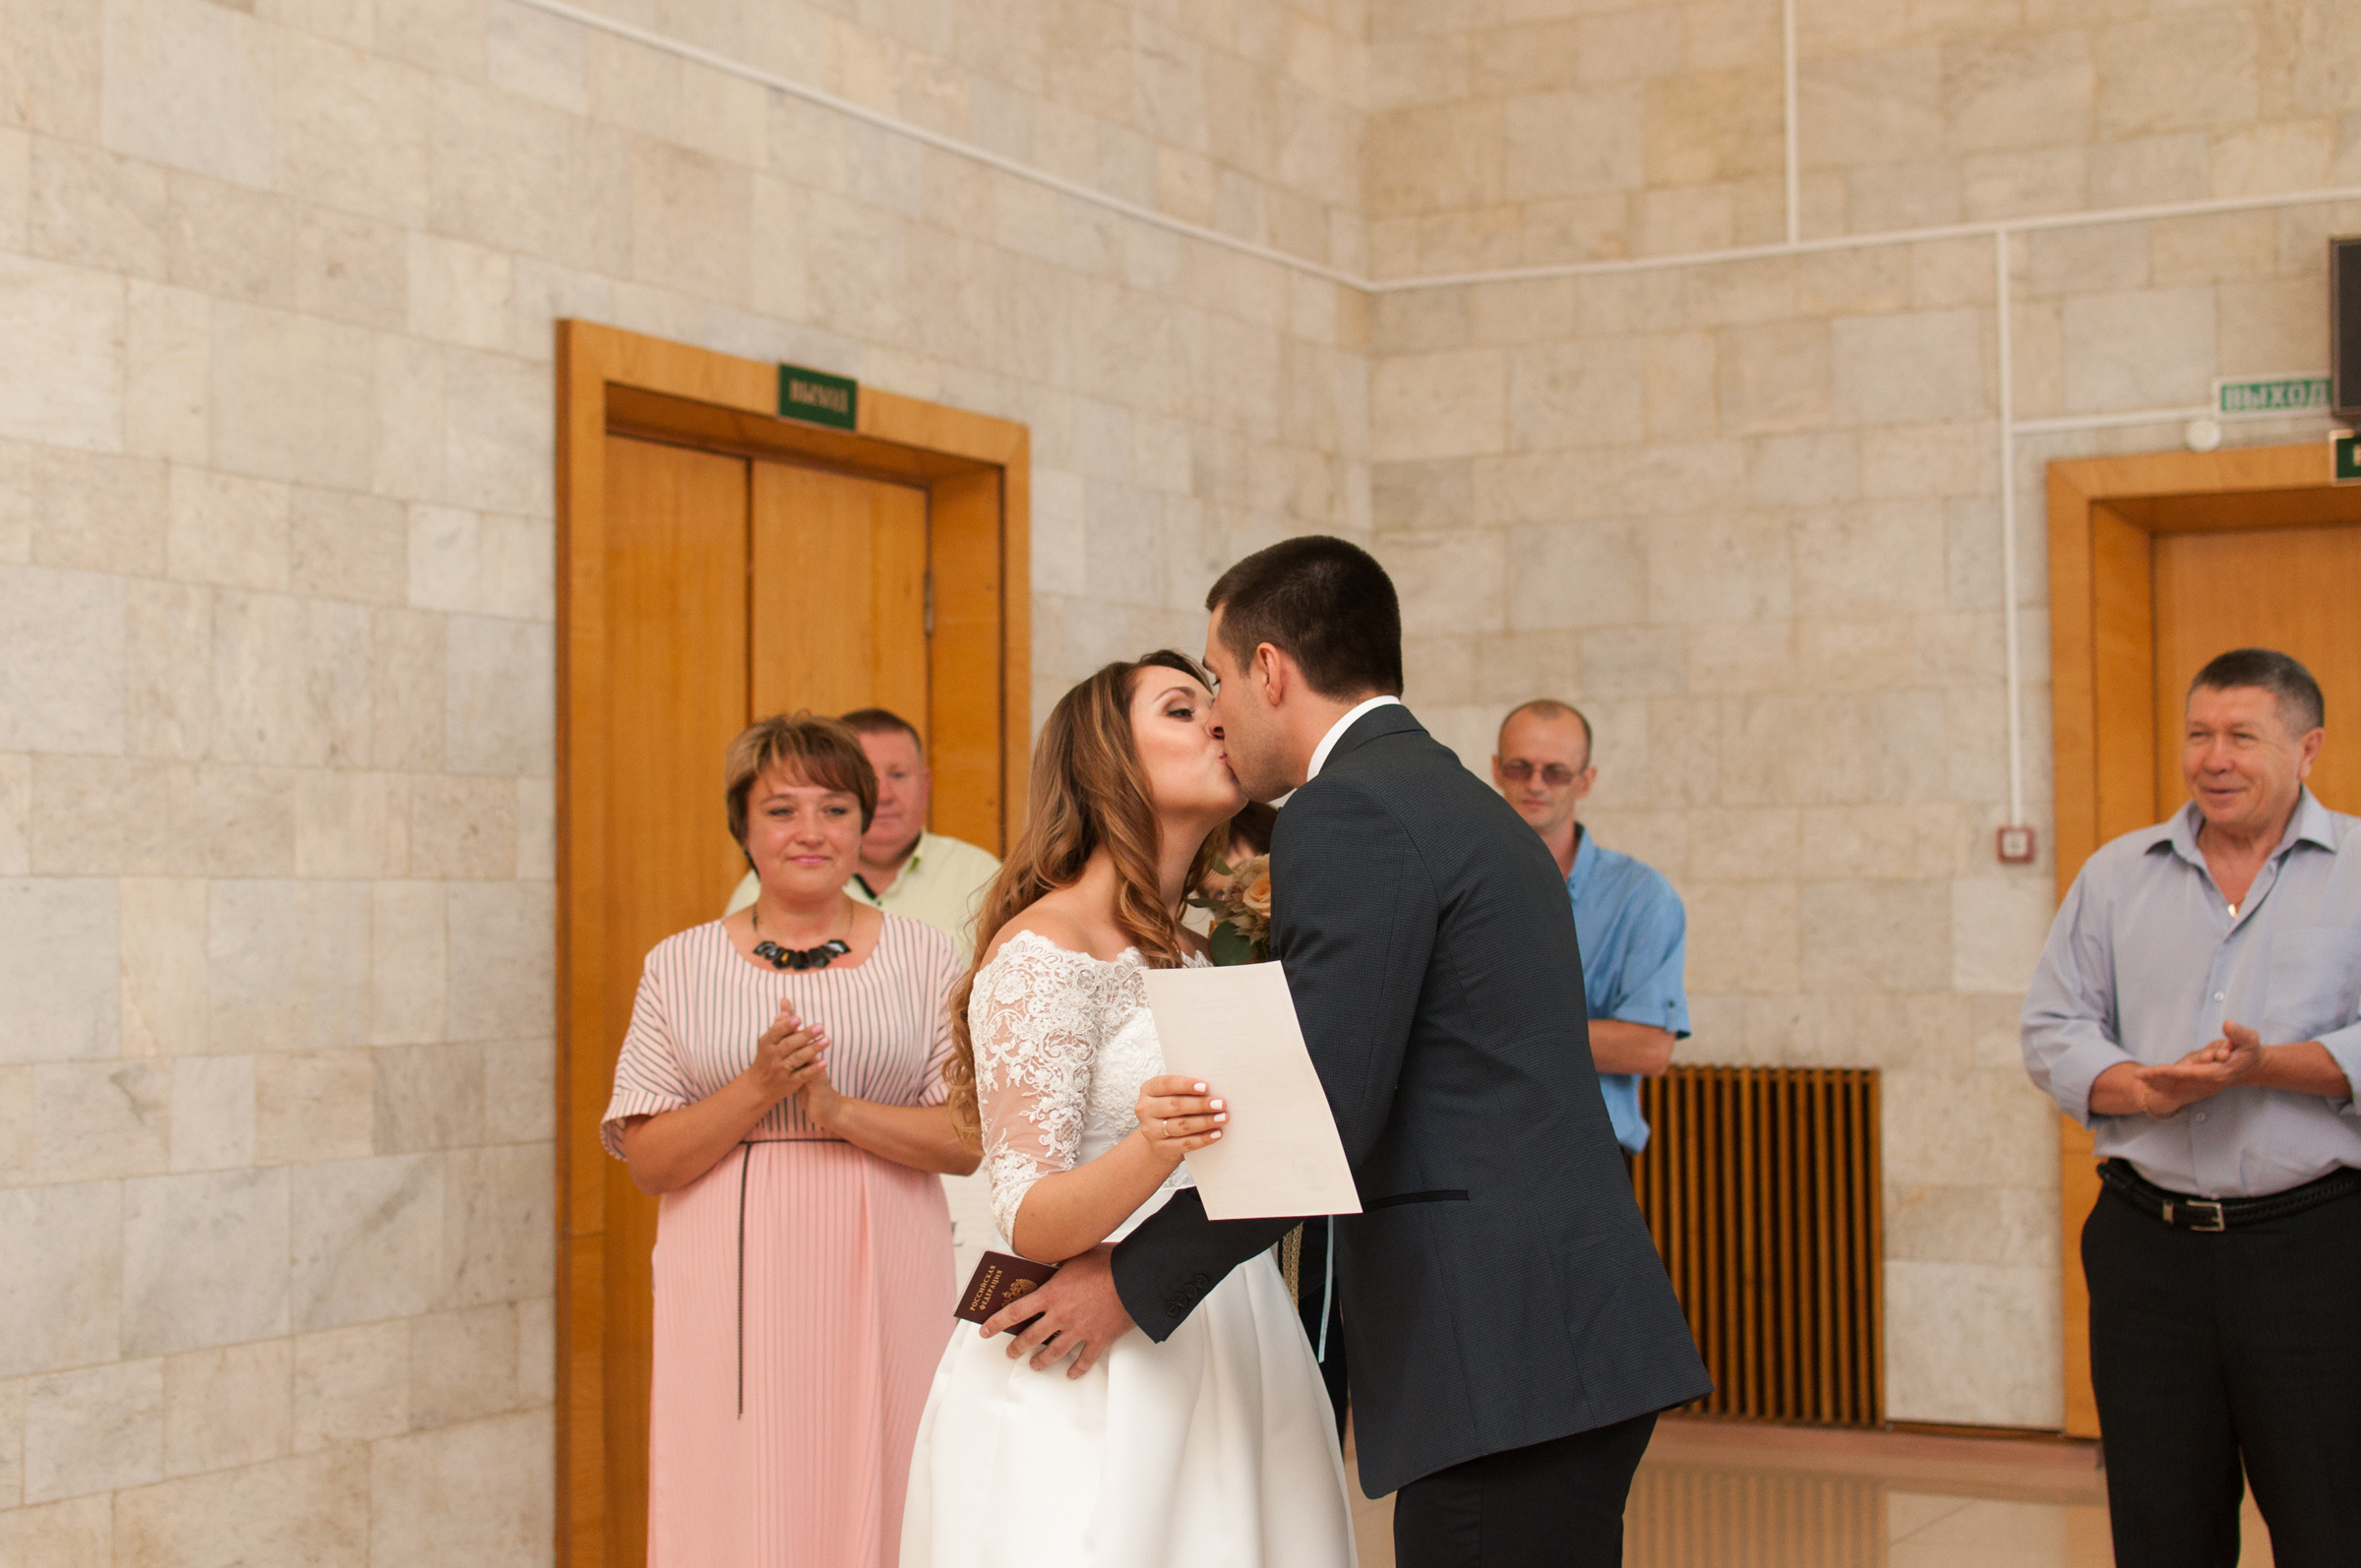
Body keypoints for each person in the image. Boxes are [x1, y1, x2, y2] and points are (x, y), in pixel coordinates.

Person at [988, 536, 1711, 1568]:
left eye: (1220, 678)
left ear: (1272, 669)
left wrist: (1130, 1280)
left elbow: (1318, 1104)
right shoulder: (1459, 800)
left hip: (1500, 1345)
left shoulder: (1350, 810)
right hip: (1554, 1326)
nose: (1221, 710)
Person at [900, 651, 1355, 1568]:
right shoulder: (1047, 947)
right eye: (1183, 709)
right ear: (1108, 756)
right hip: (1098, 1363)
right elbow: (1028, 1216)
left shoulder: (1192, 953)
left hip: (1228, 1323)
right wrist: (1154, 1145)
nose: (1218, 721)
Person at [604, 713, 979, 1568]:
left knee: (887, 1468)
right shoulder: (679, 964)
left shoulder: (927, 957)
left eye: (835, 808)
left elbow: (965, 1140)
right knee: (736, 1483)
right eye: (781, 810)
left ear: (863, 823)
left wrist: (839, 1111)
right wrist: (759, 1089)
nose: (810, 832)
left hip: (888, 1254)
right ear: (742, 827)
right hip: (727, 1272)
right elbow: (649, 1163)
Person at [2023, 647, 2361, 1568]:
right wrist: (2135, 1085)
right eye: (2200, 734)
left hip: (2317, 1253)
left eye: (2243, 737)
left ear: (2308, 748)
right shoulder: (2116, 875)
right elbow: (2053, 1025)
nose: (2215, 757)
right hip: (2149, 1255)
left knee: (2335, 1522)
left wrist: (2269, 1066)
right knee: (2162, 1527)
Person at [1492, 699, 1688, 1155]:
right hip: (1479, 1150)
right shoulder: (1452, 883)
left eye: (1555, 772)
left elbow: (1648, 1047)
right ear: (1496, 769)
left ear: (1586, 780)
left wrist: (1502, 1032)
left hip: (1587, 1151)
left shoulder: (1641, 897)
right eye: (1521, 768)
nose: (1536, 784)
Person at [729, 707, 1001, 961]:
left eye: (897, 774)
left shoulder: (981, 875)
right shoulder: (769, 883)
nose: (882, 795)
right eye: (869, 779)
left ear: (925, 783)